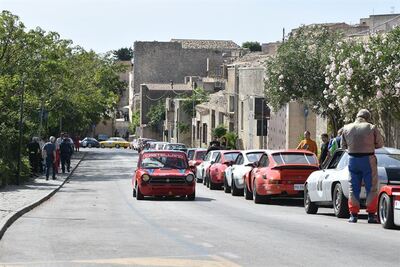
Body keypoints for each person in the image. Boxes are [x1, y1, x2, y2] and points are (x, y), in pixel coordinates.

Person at [342, 109, 384, 223]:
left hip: (352, 160)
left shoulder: (346, 128)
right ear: (368, 117)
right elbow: (380, 144)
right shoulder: (371, 127)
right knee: (371, 187)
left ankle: (353, 215)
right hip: (368, 159)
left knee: (353, 187)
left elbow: (343, 146)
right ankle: (371, 215)